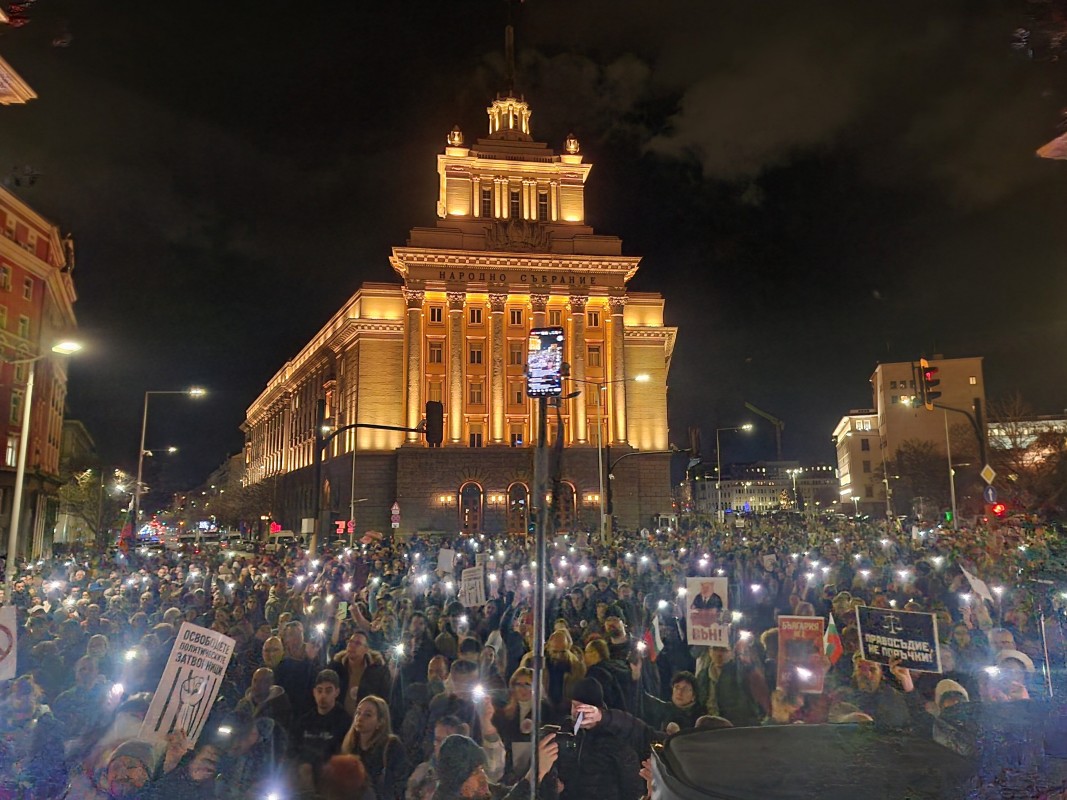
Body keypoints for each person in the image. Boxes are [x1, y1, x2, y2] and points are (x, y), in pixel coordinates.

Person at [554, 678, 643, 800]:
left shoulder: (615, 737)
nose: (576, 712)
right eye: (574, 705)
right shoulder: (564, 732)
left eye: (581, 707)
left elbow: (631, 783)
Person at [431, 732, 559, 800]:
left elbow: (513, 793)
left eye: (481, 769)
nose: (482, 777)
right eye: (474, 773)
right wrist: (535, 774)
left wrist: (546, 773)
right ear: (459, 780)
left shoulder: (485, 792)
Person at [341, 694, 411, 799]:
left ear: (380, 722)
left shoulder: (391, 746)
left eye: (367, 715)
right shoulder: (351, 746)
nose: (360, 718)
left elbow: (400, 783)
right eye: (358, 713)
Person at [290, 669, 352, 769]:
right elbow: (293, 750)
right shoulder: (304, 721)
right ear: (314, 692)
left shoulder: (345, 722)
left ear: (337, 692)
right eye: (319, 690)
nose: (323, 695)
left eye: (328, 691)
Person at [332, 630, 393, 715]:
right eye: (350, 642)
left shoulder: (378, 672)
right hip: (339, 721)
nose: (352, 645)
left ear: (366, 649)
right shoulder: (336, 668)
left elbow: (384, 702)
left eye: (357, 643)